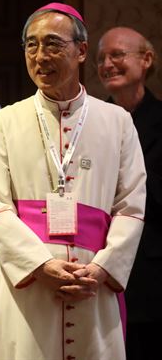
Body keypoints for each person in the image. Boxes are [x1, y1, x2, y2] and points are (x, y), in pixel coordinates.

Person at [0, 2, 146, 360]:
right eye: (31, 45)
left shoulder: (117, 122)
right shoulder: (2, 123)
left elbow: (131, 206)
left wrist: (102, 268)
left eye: (53, 44)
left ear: (81, 50)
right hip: (28, 288)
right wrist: (41, 265)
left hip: (92, 285)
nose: (40, 56)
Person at [96, 26, 161, 360]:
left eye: (117, 54)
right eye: (101, 58)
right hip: (99, 267)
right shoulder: (93, 123)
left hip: (152, 274)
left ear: (146, 60)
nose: (108, 64)